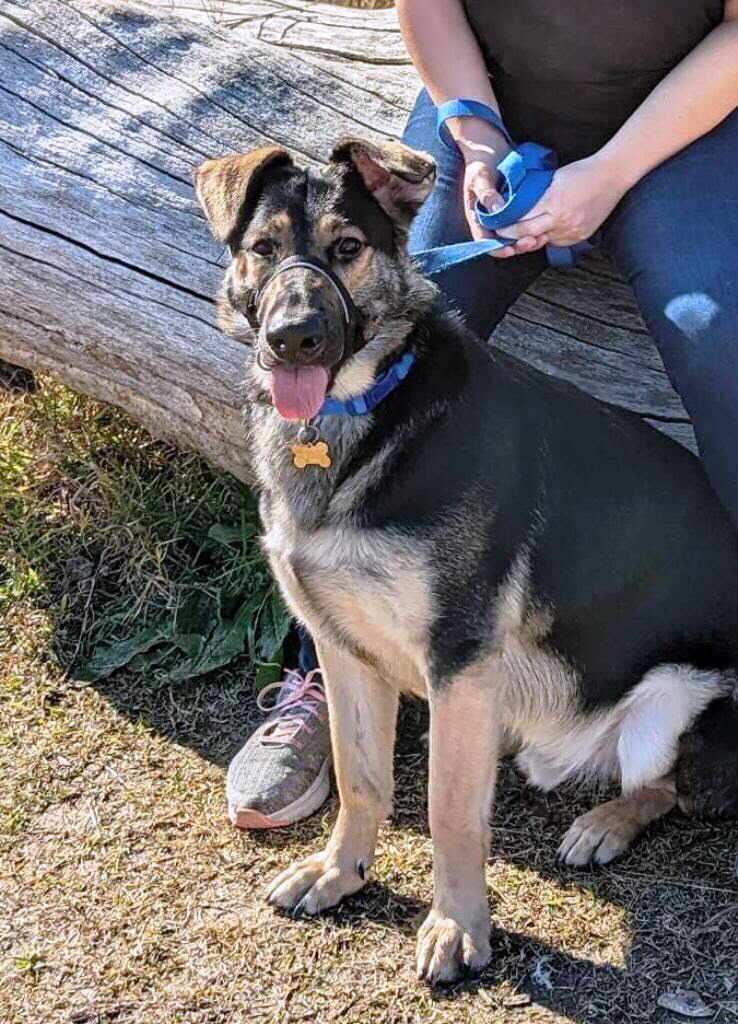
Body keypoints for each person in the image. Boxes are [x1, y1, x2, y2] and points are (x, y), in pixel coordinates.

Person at [227, 0, 738, 828]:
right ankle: (325, 671)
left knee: (723, 342)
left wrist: (606, 175)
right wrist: (476, 134)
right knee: (371, 320)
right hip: (488, 104)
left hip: (687, 126)